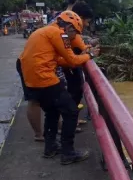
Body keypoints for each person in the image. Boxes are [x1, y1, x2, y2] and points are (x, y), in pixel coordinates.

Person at [19, 11, 99, 164]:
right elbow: (73, 60)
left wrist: (80, 56)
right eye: (75, 33)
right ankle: (68, 152)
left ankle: (50, 148)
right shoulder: (60, 35)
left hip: (32, 80)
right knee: (71, 110)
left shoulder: (44, 31)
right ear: (69, 27)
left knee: (52, 112)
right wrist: (91, 56)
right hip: (44, 79)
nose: (74, 37)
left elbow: (58, 59)